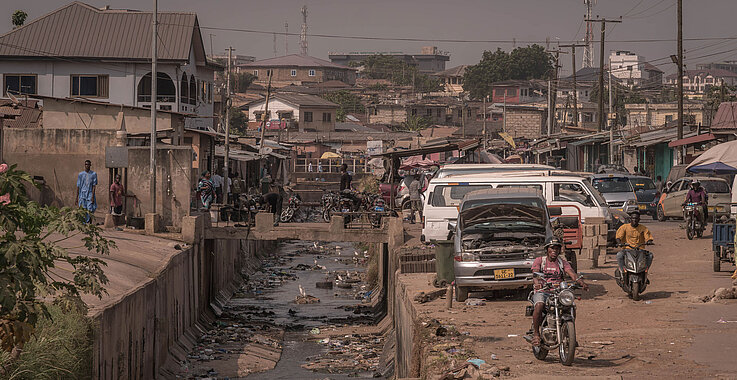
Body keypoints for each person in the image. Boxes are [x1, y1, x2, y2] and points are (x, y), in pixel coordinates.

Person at [530, 237, 588, 346]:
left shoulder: (562, 263)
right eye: (552, 248)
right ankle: (536, 334)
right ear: (547, 249)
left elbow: (572, 274)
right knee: (539, 305)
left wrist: (580, 282)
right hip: (543, 291)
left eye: (557, 248)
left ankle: (569, 333)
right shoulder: (540, 261)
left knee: (571, 306)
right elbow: (535, 274)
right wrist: (537, 282)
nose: (554, 250)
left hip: (558, 292)